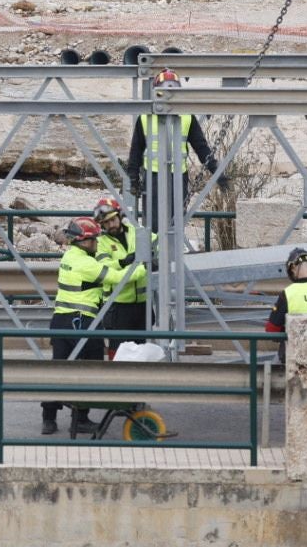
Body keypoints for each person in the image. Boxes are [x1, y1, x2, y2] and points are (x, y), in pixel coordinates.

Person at [126, 69, 217, 237]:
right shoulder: (146, 117)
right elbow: (136, 151)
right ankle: (155, 257)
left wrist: (215, 169)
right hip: (153, 176)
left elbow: (201, 147)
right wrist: (132, 177)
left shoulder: (186, 117)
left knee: (175, 222)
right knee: (153, 224)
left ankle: (171, 256)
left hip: (177, 176)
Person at [41, 216, 109, 436]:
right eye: (94, 239)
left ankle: (48, 419)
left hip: (61, 320)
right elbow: (115, 277)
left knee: (57, 370)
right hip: (83, 321)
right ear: (84, 241)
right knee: (91, 367)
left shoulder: (71, 255)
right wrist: (139, 269)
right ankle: (80, 418)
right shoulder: (86, 262)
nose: (97, 243)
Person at [92, 196, 152, 356]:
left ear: (119, 216)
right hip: (118, 305)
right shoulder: (102, 242)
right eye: (106, 223)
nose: (110, 225)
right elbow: (104, 266)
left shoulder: (135, 231)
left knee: (141, 348)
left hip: (142, 303)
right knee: (117, 349)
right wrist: (123, 261)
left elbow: (156, 242)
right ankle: (116, 377)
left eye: (112, 220)